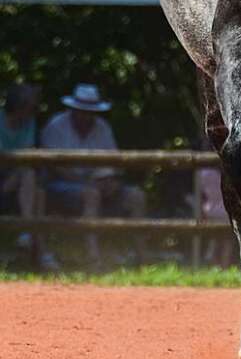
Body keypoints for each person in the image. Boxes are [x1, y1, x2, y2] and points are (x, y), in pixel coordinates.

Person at [41, 83, 146, 265]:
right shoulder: (56, 126)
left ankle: (141, 257)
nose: (86, 115)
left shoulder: (102, 128)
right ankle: (94, 257)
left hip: (98, 184)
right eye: (82, 110)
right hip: (61, 186)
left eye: (90, 111)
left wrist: (110, 180)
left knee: (136, 196)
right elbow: (53, 166)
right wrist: (86, 182)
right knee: (91, 195)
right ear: (73, 109)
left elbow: (112, 162)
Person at [0, 83, 44, 260]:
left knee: (30, 178)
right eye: (31, 107)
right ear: (19, 106)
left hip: (16, 176)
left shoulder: (29, 123)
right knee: (26, 173)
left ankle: (29, 235)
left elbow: (27, 154)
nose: (34, 111)